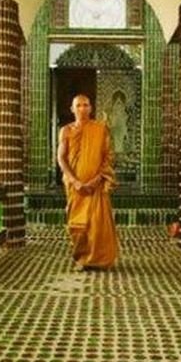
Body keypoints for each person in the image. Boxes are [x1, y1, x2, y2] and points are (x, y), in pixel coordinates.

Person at [57, 94, 119, 271]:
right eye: (78, 106)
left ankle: (99, 260)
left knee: (99, 224)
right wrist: (75, 181)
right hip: (75, 186)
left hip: (96, 186)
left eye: (86, 105)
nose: (82, 109)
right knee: (77, 225)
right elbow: (61, 159)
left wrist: (97, 179)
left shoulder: (100, 129)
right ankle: (82, 258)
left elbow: (108, 157)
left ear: (91, 108)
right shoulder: (66, 131)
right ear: (72, 109)